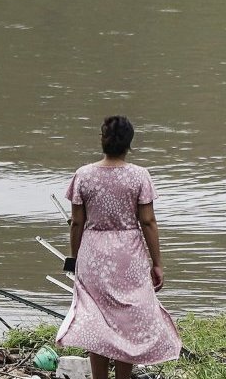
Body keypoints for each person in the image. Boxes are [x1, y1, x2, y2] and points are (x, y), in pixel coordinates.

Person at [56, 116, 181, 379]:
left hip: (93, 255)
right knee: (128, 320)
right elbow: (147, 221)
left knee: (97, 320)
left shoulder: (83, 175)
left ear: (103, 140)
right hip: (129, 255)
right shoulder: (139, 176)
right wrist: (157, 263)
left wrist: (76, 259)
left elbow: (77, 223)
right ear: (129, 144)